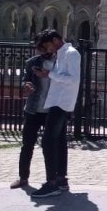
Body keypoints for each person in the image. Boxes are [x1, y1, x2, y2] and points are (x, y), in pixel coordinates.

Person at [30, 29, 81, 198]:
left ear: (55, 40)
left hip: (62, 102)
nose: (48, 50)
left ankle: (51, 182)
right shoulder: (61, 54)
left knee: (48, 142)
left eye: (47, 45)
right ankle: (60, 179)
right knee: (58, 141)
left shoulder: (71, 54)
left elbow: (73, 79)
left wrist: (49, 74)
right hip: (57, 101)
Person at [11, 41, 55, 189]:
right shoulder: (32, 63)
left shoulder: (60, 64)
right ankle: (23, 178)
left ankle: (52, 179)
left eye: (44, 48)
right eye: (39, 49)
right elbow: (24, 82)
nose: (41, 52)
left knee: (49, 147)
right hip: (33, 109)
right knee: (27, 145)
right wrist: (26, 87)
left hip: (51, 110)